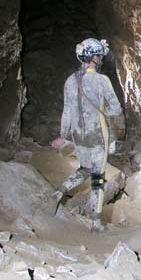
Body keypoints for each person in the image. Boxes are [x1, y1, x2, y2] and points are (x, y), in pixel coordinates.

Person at [50, 38, 123, 232]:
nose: (100, 59)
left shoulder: (70, 80)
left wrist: (62, 136)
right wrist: (111, 122)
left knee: (84, 168)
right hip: (98, 134)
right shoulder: (101, 80)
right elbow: (115, 109)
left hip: (78, 135)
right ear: (94, 57)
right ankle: (96, 222)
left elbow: (67, 111)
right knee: (98, 176)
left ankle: (59, 192)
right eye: (99, 55)